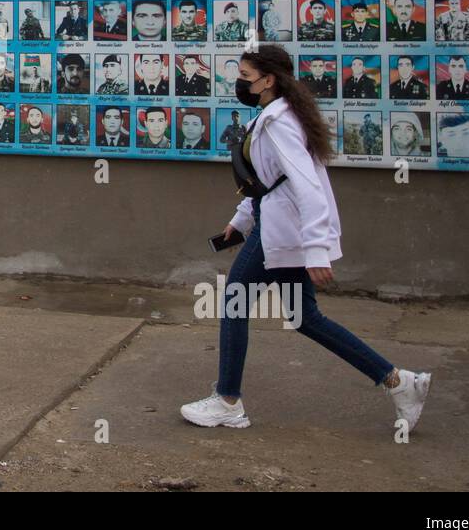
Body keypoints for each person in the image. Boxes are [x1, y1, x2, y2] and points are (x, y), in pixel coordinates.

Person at [181, 45, 431, 431]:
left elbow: (307, 185)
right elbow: (266, 181)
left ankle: (228, 400)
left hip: (283, 231)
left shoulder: (279, 122)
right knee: (304, 318)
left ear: (268, 80)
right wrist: (241, 219)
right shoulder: (272, 116)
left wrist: (316, 250)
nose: (240, 83)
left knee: (234, 299)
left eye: (246, 77)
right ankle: (398, 381)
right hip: (273, 224)